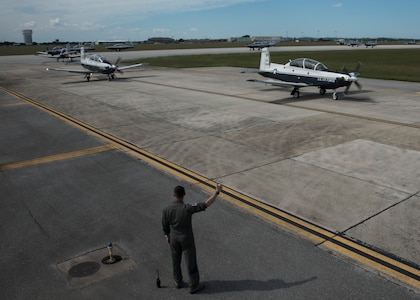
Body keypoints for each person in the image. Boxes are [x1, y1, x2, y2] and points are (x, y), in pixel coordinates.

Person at [162, 183, 223, 294]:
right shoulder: (187, 207)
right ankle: (194, 285)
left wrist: (167, 235)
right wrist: (216, 192)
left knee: (175, 261)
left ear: (174, 195)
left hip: (174, 239)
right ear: (184, 194)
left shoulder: (167, 210)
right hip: (187, 239)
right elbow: (205, 204)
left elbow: (165, 226)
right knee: (191, 261)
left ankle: (177, 281)